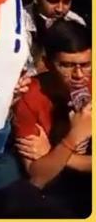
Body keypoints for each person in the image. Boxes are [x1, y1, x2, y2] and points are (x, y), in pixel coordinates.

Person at [12, 20, 91, 217]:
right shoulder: (30, 97)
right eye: (67, 66)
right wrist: (73, 138)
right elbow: (37, 178)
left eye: (86, 65)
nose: (79, 75)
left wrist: (60, 154)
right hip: (55, 187)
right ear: (47, 64)